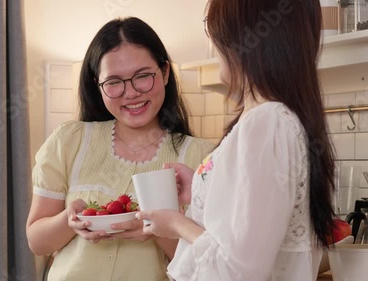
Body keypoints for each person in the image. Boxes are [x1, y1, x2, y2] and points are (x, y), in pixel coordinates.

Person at [136, 0, 337, 280]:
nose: (214, 44)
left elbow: (240, 270)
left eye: (216, 31)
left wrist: (177, 224)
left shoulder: (268, 122)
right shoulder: (269, 119)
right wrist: (203, 184)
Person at [26, 17, 214, 281]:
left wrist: (154, 229)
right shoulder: (69, 141)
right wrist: (68, 221)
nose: (131, 93)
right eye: (114, 82)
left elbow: (208, 263)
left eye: (143, 76)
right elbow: (37, 242)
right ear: (98, 85)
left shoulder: (204, 158)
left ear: (165, 72)